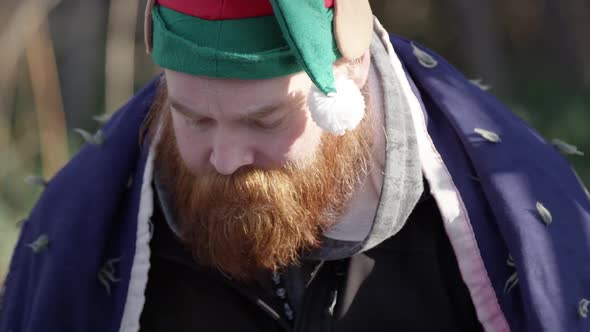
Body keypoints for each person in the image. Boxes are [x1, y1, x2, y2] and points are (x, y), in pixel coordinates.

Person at [1, 0, 589, 331]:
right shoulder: (90, 230)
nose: (225, 159)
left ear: (348, 78)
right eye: (194, 120)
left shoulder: (494, 216)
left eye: (262, 121)